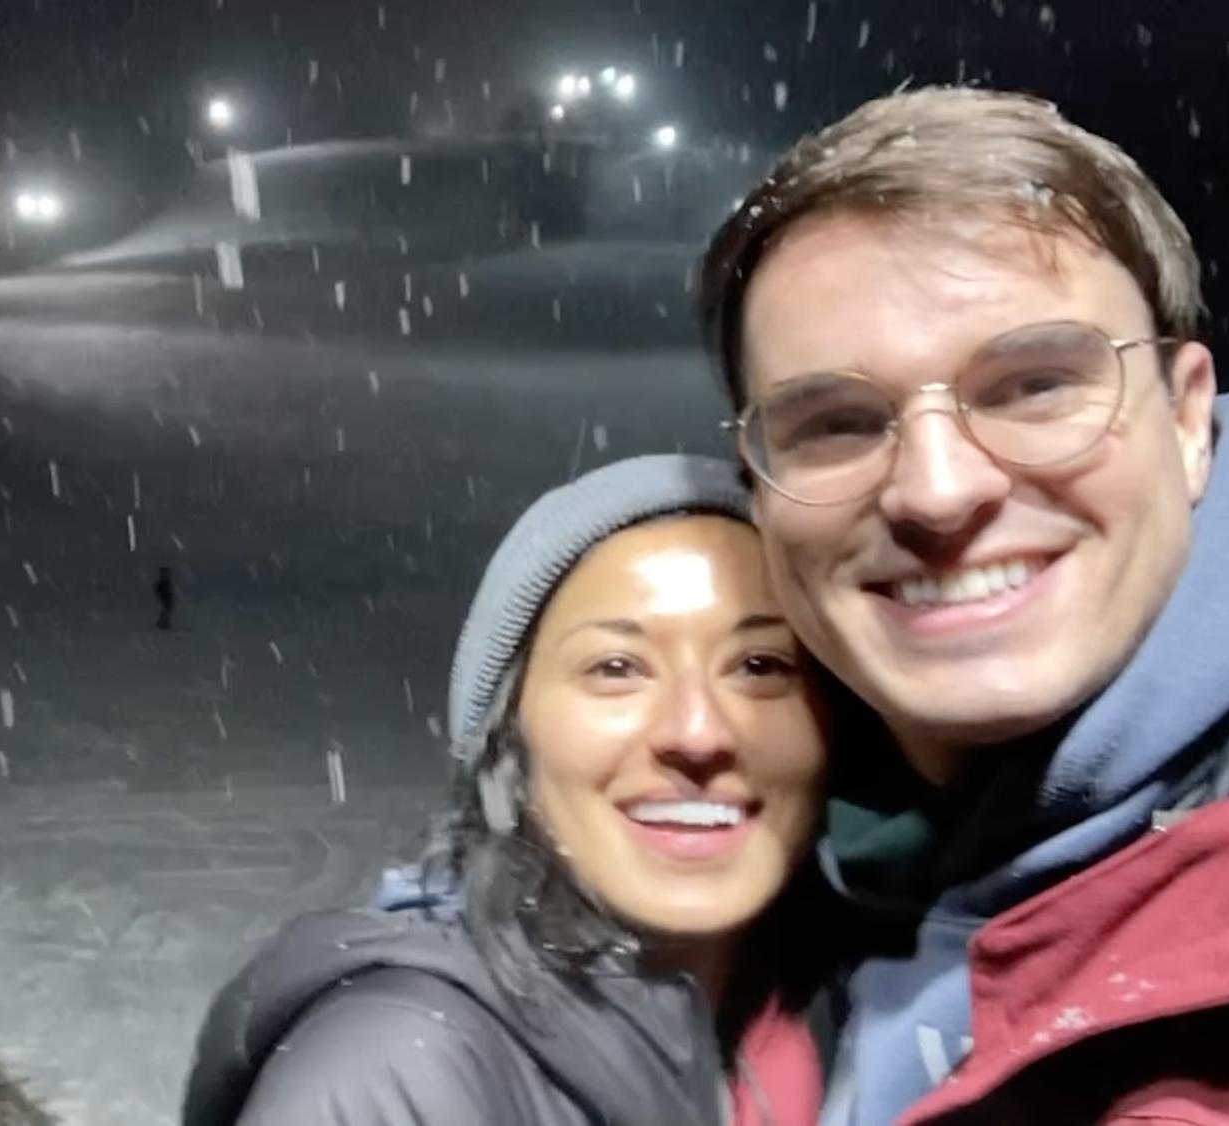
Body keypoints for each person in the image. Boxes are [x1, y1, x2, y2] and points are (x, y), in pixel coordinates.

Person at [695, 86, 1229, 1125]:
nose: (937, 490)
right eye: (836, 423)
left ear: (1185, 420)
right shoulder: (756, 852)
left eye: (1035, 385)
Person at [182, 454, 835, 1126]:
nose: (698, 732)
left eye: (761, 665)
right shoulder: (397, 1071)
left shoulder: (855, 1022)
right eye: (617, 667)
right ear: (508, 735)